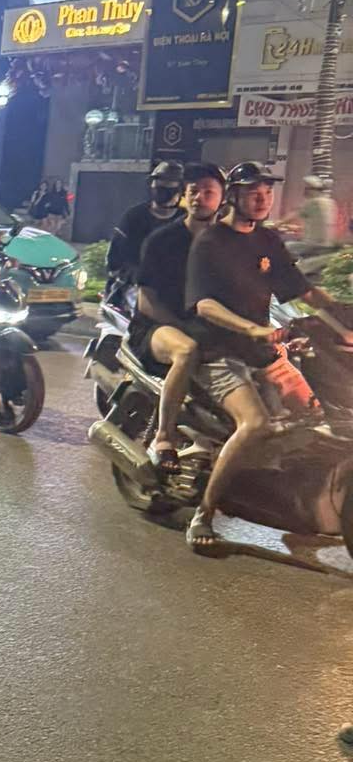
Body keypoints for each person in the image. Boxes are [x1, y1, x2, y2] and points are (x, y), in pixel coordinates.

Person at [184, 160, 353, 555]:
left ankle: (289, 490)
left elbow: (304, 291)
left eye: (266, 193)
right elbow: (204, 304)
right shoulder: (211, 243)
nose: (262, 200)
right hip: (218, 352)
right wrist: (252, 329)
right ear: (233, 196)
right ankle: (204, 514)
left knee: (316, 416)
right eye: (252, 193)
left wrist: (343, 318)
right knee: (255, 424)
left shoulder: (267, 240)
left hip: (262, 351)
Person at [130, 163, 224, 466]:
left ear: (222, 198)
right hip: (156, 327)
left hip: (205, 325)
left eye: (208, 192)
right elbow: (146, 302)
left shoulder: (226, 243)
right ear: (184, 195)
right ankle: (164, 436)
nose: (199, 198)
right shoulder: (162, 240)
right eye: (193, 191)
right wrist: (183, 326)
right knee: (187, 350)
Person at [108, 160, 185, 290]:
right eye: (159, 188)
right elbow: (115, 258)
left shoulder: (185, 220)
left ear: (180, 191)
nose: (163, 194)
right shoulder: (134, 217)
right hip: (133, 287)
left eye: (169, 189)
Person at [300, 173, 340, 249]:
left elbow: (295, 214)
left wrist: (278, 223)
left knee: (286, 246)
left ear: (313, 190)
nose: (305, 191)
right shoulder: (331, 202)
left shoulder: (313, 202)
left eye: (306, 188)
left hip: (312, 245)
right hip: (327, 243)